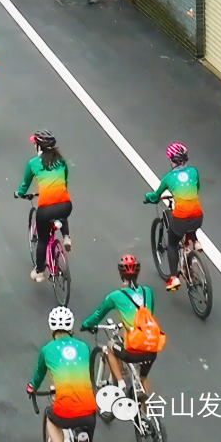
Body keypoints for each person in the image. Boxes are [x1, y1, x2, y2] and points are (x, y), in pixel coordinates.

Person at [81, 255, 164, 407]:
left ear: (120, 274)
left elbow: (98, 314)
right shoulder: (148, 292)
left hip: (133, 350)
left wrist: (86, 324)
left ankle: (121, 384)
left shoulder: (116, 296)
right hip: (152, 347)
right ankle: (149, 419)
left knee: (110, 347)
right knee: (143, 378)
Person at [27, 308, 98, 442]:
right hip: (89, 410)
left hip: (65, 412)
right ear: (71, 327)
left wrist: (32, 387)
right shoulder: (84, 347)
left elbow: (38, 376)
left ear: (52, 328)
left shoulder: (47, 350)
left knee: (49, 415)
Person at [16, 130, 73, 281]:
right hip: (66, 205)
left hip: (46, 209)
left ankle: (40, 271)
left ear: (39, 146)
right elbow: (65, 181)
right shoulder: (61, 161)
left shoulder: (33, 163)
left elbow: (25, 185)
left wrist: (19, 193)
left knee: (42, 240)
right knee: (60, 211)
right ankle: (66, 236)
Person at [144, 143, 202, 292]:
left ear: (171, 160)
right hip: (198, 216)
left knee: (172, 243)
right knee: (190, 218)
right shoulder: (194, 172)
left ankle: (174, 277)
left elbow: (155, 196)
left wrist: (148, 198)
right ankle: (194, 241)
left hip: (181, 218)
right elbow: (197, 187)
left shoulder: (168, 178)